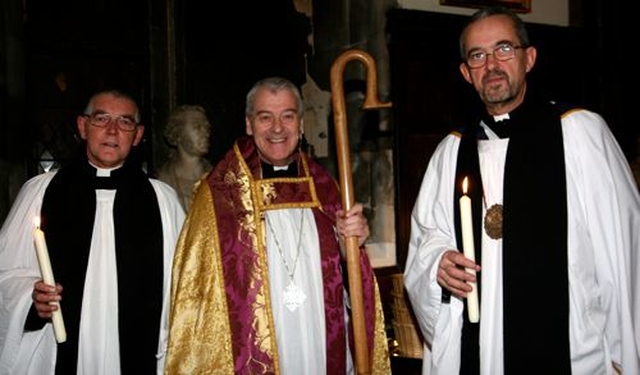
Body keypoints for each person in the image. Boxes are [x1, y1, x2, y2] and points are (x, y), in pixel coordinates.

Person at [403, 6, 640, 375]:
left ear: (529, 58)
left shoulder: (579, 134)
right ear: (466, 73)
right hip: (480, 353)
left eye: (504, 49)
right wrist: (437, 264)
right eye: (477, 56)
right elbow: (426, 240)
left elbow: (623, 252)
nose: (491, 64)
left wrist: (627, 354)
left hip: (575, 353)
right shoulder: (452, 152)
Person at [164, 76, 391, 374]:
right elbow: (197, 297)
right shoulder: (219, 194)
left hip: (321, 343)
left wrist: (350, 247)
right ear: (248, 125)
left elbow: (349, 281)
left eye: (287, 116)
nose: (277, 128)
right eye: (265, 117)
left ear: (301, 124)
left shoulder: (326, 188)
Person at [0, 89, 186, 374]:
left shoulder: (163, 200)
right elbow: (6, 273)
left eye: (125, 122)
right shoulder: (40, 191)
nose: (112, 130)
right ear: (82, 126)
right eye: (101, 119)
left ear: (137, 136)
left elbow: (185, 287)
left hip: (140, 352)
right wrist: (31, 298)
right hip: (57, 350)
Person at [156, 104, 213, 211]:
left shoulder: (220, 181)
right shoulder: (161, 183)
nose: (205, 132)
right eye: (197, 126)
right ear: (178, 133)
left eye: (207, 127)